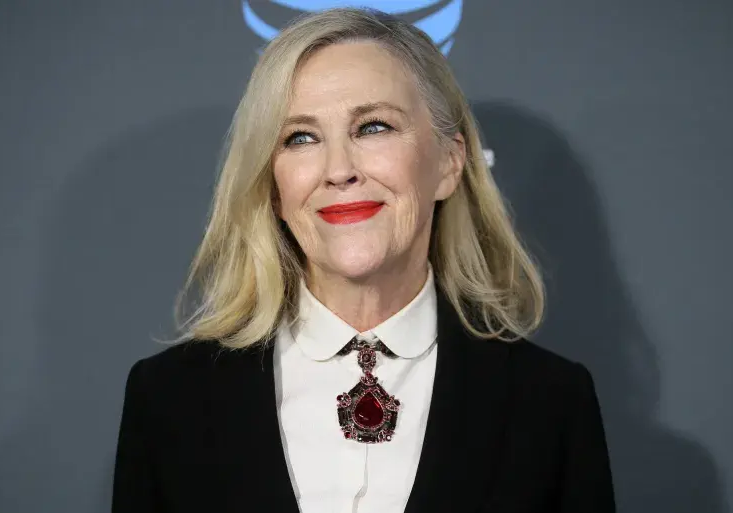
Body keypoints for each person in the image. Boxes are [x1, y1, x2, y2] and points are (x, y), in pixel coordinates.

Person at [111, 7, 615, 513]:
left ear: (448, 162)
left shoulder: (551, 402)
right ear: (273, 187)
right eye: (301, 138)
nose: (339, 170)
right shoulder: (168, 397)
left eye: (373, 127)